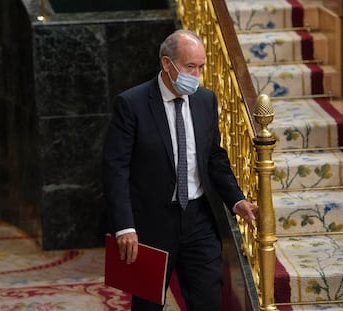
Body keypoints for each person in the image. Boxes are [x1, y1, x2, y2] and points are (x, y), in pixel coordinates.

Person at [102, 29, 257, 311]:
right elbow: (116, 169)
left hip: (198, 219)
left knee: (208, 300)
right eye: (190, 67)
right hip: (151, 222)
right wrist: (125, 225)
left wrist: (237, 200)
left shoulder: (205, 101)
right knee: (147, 304)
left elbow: (214, 157)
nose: (196, 75)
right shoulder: (132, 104)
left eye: (201, 67)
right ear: (166, 63)